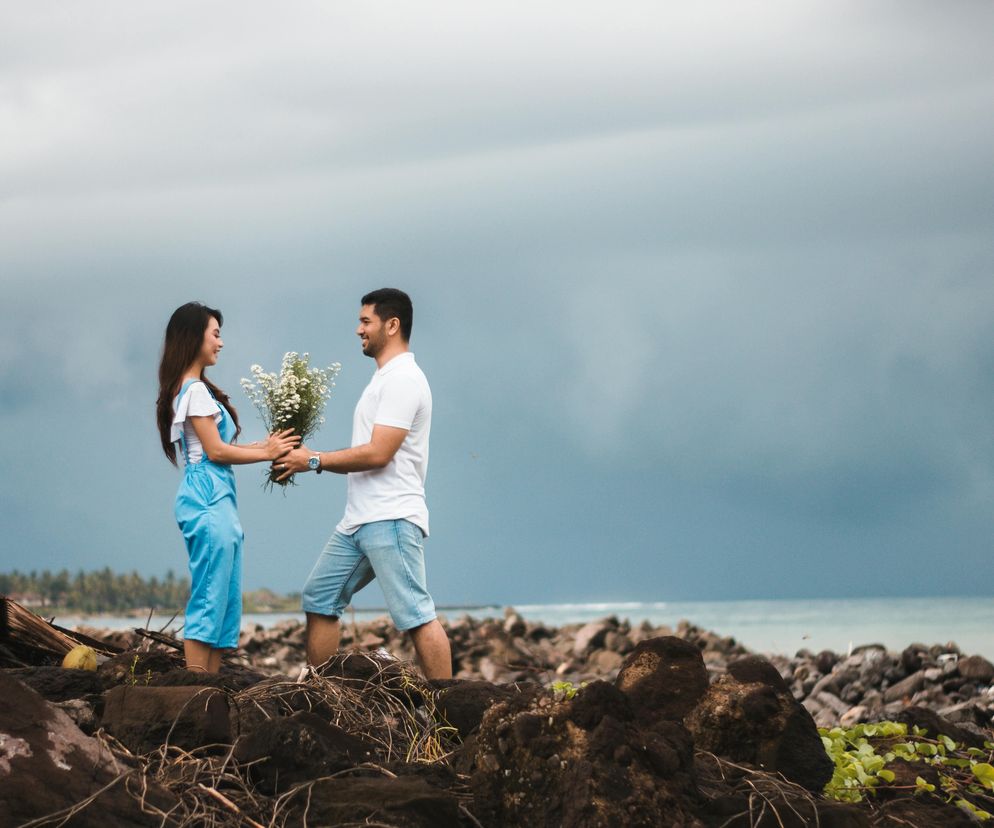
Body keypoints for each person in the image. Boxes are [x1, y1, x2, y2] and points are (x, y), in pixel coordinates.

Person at [275, 288, 452, 679]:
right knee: (319, 598)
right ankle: (323, 694)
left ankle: (448, 715)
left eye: (365, 321)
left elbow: (378, 453)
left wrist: (314, 459)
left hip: (391, 517)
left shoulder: (405, 379)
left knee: (416, 615)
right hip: (358, 521)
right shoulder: (383, 379)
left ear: (392, 325)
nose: (358, 329)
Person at [156, 302, 299, 672]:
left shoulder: (194, 390)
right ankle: (195, 688)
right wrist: (266, 450)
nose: (220, 343)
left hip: (217, 496)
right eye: (215, 334)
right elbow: (216, 451)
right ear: (194, 337)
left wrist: (268, 448)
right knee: (209, 596)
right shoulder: (195, 392)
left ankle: (211, 691)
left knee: (224, 599)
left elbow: (217, 449)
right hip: (206, 497)